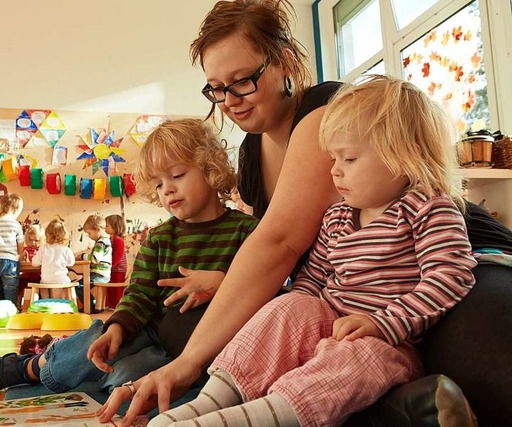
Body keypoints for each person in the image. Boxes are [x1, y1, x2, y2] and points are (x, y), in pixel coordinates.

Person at [96, 1, 512, 425]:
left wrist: (185, 364)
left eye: (241, 82)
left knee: (481, 363)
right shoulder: (254, 156)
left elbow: (280, 243)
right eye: (216, 89)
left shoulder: (326, 114)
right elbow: (303, 269)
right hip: (348, 306)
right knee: (205, 322)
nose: (228, 101)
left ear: (285, 62)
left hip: (461, 267)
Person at [148, 75, 477, 426]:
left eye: (348, 158)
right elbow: (312, 281)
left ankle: (244, 419)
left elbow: (451, 275)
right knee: (290, 304)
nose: (334, 171)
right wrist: (292, 327)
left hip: (387, 344)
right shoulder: (338, 215)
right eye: (332, 157)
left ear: (403, 156)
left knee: (354, 360)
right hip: (329, 328)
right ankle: (209, 403)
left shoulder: (427, 207)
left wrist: (383, 324)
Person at [0, 118, 258, 402]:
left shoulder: (248, 231)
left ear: (210, 168)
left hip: (197, 354)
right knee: (98, 336)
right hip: (150, 331)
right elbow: (140, 295)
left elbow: (274, 287)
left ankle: (94, 382)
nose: (167, 189)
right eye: (158, 184)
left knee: (127, 379)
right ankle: (32, 367)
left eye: (177, 176)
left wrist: (223, 282)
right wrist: (118, 327)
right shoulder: (160, 238)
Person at [76, 214, 112, 313]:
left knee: (79, 286)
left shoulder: (101, 242)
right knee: (81, 285)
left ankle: (91, 305)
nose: (89, 236)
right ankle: (92, 305)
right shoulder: (104, 241)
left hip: (99, 274)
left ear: (97, 229)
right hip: (102, 274)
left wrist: (83, 256)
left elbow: (95, 259)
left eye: (89, 233)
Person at [31, 219, 75, 298]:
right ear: (64, 235)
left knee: (42, 283)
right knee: (67, 281)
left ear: (47, 234)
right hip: (61, 281)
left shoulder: (43, 248)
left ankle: (46, 301)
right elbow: (71, 263)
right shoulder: (65, 249)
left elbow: (34, 263)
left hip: (46, 281)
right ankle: (65, 301)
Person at [105, 214, 128, 309]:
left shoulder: (118, 240)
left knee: (116, 289)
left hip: (118, 269)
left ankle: (117, 305)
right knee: (110, 287)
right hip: (113, 268)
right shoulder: (110, 239)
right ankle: (110, 304)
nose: (105, 228)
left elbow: (117, 256)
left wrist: (111, 266)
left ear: (115, 227)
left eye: (107, 226)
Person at [18, 224, 43, 307]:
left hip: (39, 275)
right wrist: (22, 257)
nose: (33, 243)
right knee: (16, 283)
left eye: (36, 240)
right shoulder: (25, 249)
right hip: (27, 275)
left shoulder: (42, 249)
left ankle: (41, 303)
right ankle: (17, 304)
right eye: (31, 240)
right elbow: (20, 261)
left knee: (43, 285)